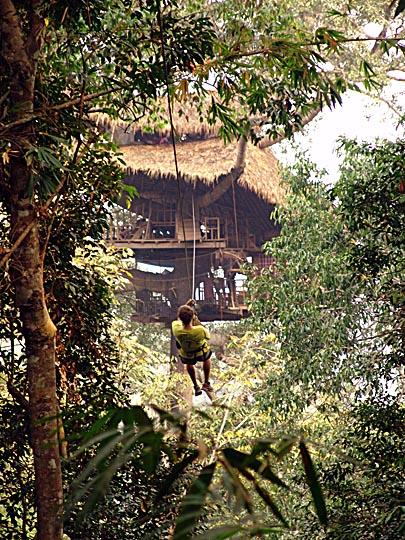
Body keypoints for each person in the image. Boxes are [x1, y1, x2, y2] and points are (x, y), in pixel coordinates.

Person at [172, 302, 213, 396]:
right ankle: (206, 382)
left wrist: (186, 306)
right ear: (192, 317)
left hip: (187, 355)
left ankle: (196, 386)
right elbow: (208, 336)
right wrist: (196, 320)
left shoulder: (176, 328)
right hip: (201, 353)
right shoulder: (199, 330)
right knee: (207, 358)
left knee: (188, 364)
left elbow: (179, 319)